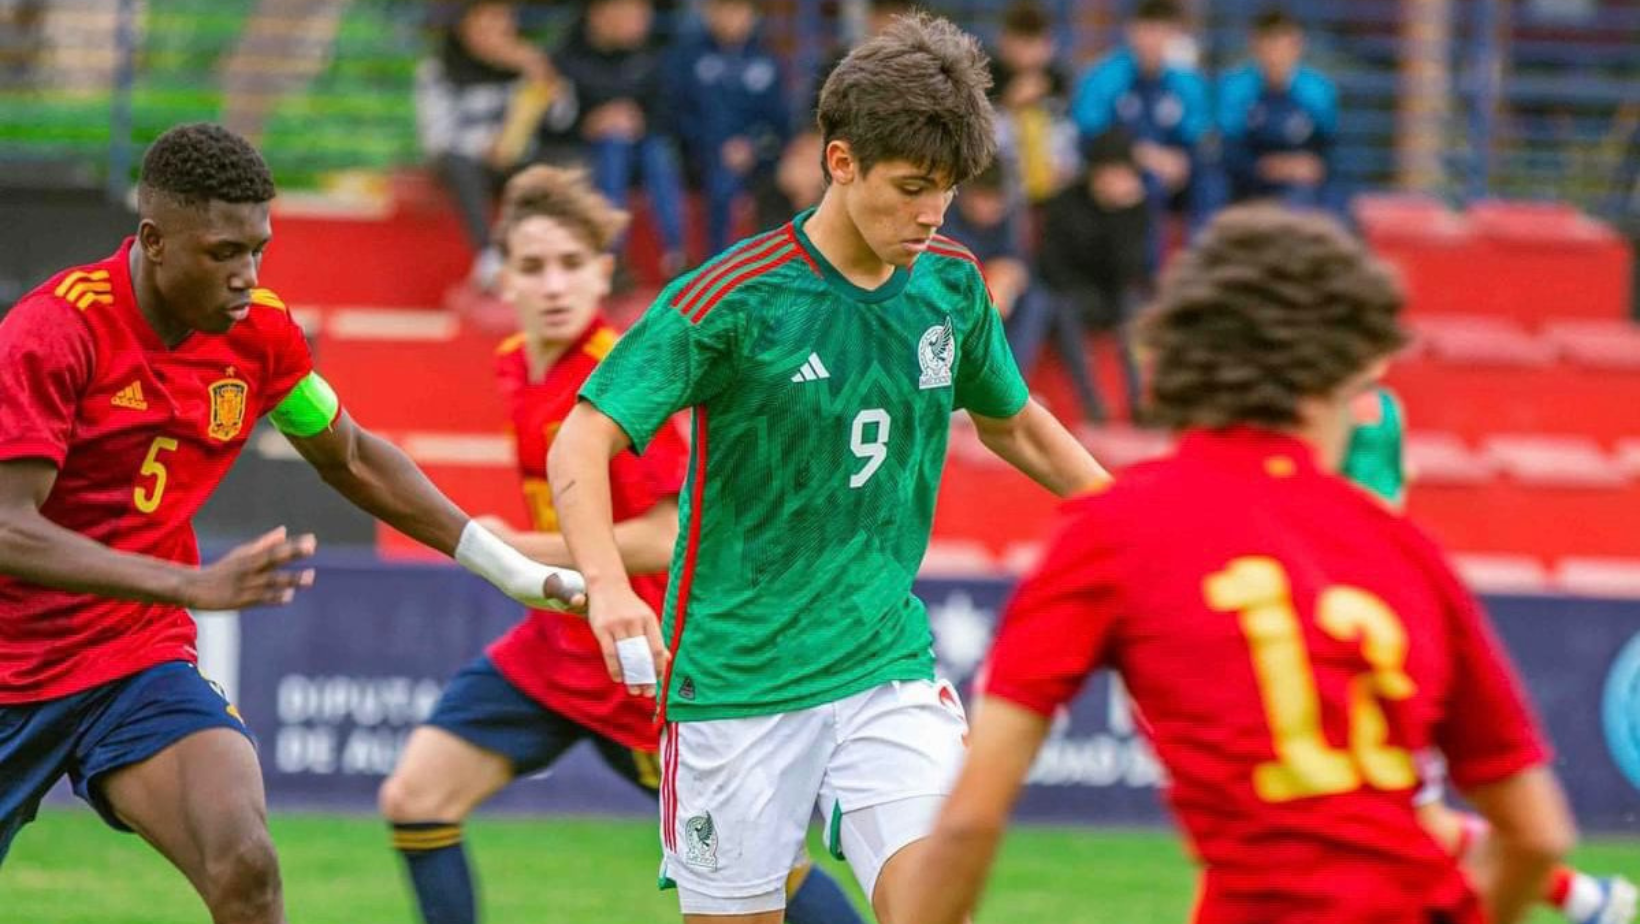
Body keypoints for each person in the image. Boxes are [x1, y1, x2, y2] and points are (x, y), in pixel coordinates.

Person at [548, 14, 1110, 923]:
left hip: (882, 662)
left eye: (950, 191)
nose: (932, 213)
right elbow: (581, 438)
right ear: (840, 162)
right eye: (913, 187)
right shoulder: (733, 298)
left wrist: (1135, 525)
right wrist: (610, 589)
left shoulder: (952, 284)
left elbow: (1020, 427)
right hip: (735, 684)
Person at [905, 205, 1577, 924]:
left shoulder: (1112, 530)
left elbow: (972, 818)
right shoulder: (1405, 549)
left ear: (1175, 361)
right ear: (1335, 378)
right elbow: (1537, 833)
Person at [0, 123, 583, 923]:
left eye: (258, 251)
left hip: (130, 658)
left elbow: (350, 455)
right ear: (154, 241)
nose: (246, 277)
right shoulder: (52, 332)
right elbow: (8, 527)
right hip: (9, 662)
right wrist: (188, 581)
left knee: (245, 864)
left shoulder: (261, 335)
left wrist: (505, 564)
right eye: (223, 253)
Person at [377, 164, 863, 924]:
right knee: (414, 798)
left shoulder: (621, 380)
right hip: (553, 649)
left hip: (643, 664)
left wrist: (524, 547)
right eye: (533, 267)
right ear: (503, 278)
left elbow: (670, 537)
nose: (553, 284)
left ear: (604, 274)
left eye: (572, 264)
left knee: (766, 868)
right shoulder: (515, 364)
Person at [1343, 386, 1638, 924]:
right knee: (1415, 819)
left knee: (1407, 821)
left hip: (1352, 597)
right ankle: (1585, 899)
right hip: (1364, 592)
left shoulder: (1333, 407)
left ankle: (1581, 898)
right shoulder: (1371, 407)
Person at [546, 0, 688, 277]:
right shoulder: (566, 58)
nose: (640, 20)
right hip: (589, 151)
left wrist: (637, 120)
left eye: (642, 12)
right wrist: (589, 123)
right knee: (613, 145)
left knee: (657, 151)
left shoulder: (651, 56)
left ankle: (676, 254)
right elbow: (551, 124)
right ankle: (613, 257)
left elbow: (670, 114)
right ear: (598, 15)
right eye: (629, 12)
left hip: (643, 148)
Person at [1069, 0, 1211, 269]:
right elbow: (1090, 136)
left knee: (1210, 181)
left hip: (1174, 174)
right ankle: (1144, 273)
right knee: (1147, 185)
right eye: (1146, 31)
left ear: (1172, 35)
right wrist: (1143, 156)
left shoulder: (1186, 82)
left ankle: (1200, 267)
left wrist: (1182, 161)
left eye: (1160, 32)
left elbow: (1199, 136)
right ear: (1131, 32)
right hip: (1120, 168)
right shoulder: (1105, 76)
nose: (1152, 41)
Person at [1026, 127, 1152, 421]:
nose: (1113, 180)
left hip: (1115, 291)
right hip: (1072, 289)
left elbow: (1132, 267)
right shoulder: (1066, 201)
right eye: (1107, 172)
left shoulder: (1135, 207)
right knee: (1065, 309)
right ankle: (1091, 403)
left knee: (1133, 308)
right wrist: (1077, 288)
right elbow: (1050, 260)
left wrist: (1118, 214)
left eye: (1120, 173)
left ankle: (1140, 402)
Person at [668, 0, 792, 257]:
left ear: (753, 16)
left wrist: (753, 147)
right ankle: (718, 264)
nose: (730, 18)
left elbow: (780, 124)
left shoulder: (768, 64)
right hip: (701, 157)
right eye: (722, 10)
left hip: (759, 159)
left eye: (739, 11)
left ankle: (769, 269)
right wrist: (716, 147)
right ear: (709, 14)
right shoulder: (688, 60)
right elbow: (680, 116)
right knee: (721, 182)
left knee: (789, 181)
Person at [1217, 7, 1341, 214]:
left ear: (1298, 47)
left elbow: (1330, 150)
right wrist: (1269, 167)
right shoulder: (1235, 89)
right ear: (1255, 46)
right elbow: (1229, 152)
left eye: (1283, 47)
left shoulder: (1318, 91)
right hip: (1248, 181)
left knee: (1314, 200)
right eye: (1269, 47)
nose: (1276, 57)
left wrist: (1314, 167)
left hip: (1300, 184)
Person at [985, 0, 1077, 204]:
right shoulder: (985, 76)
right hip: (998, 186)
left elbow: (1072, 132)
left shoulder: (1059, 79)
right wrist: (1008, 103)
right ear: (1004, 42)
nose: (1028, 53)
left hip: (1053, 183)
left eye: (1035, 43)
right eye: (1022, 43)